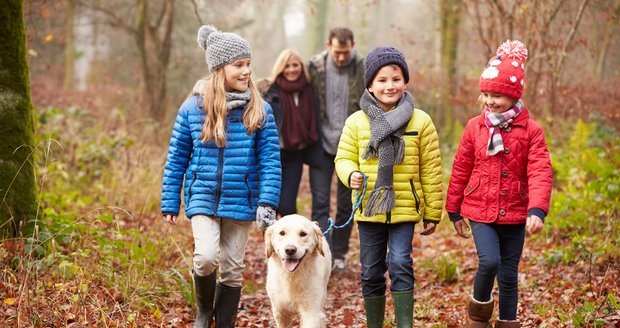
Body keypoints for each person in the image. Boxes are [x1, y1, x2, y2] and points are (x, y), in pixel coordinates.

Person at [161, 25, 281, 328]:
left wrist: (267, 202)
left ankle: (224, 322)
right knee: (205, 257)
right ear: (218, 69)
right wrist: (170, 201)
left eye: (248, 65)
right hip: (202, 195)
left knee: (231, 267)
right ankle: (204, 312)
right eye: (238, 65)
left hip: (242, 198)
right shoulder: (193, 108)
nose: (246, 72)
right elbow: (177, 157)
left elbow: (269, 160)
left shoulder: (260, 109)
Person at [445, 40, 552, 328]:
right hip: (480, 210)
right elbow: (461, 167)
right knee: (489, 261)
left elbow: (540, 170)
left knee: (508, 274)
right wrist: (453, 210)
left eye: (497, 96)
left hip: (516, 212)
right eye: (486, 94)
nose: (490, 101)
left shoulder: (532, 131)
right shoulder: (475, 127)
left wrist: (537, 210)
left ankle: (507, 322)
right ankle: (477, 317)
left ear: (514, 96)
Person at [335, 46, 443, 327]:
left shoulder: (420, 120)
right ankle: (375, 323)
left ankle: (404, 322)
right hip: (370, 206)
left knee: (400, 264)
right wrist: (351, 175)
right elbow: (343, 158)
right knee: (371, 270)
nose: (389, 86)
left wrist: (432, 212)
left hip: (405, 208)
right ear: (370, 85)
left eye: (396, 78)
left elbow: (430, 168)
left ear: (405, 80)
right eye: (382, 80)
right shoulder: (356, 122)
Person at [308, 27, 365, 271]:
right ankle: (322, 252)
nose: (341, 57)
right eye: (337, 52)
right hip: (321, 144)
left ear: (353, 45)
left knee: (345, 204)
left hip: (350, 146)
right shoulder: (315, 67)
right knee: (320, 202)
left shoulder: (362, 66)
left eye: (345, 52)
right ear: (328, 45)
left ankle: (339, 253)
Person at [262, 49, 322, 217]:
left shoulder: (309, 91)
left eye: (295, 65)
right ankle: (273, 241)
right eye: (287, 66)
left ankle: (290, 238)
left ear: (301, 67)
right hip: (273, 154)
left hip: (295, 155)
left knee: (288, 205)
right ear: (281, 68)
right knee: (270, 204)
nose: (291, 69)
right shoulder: (270, 91)